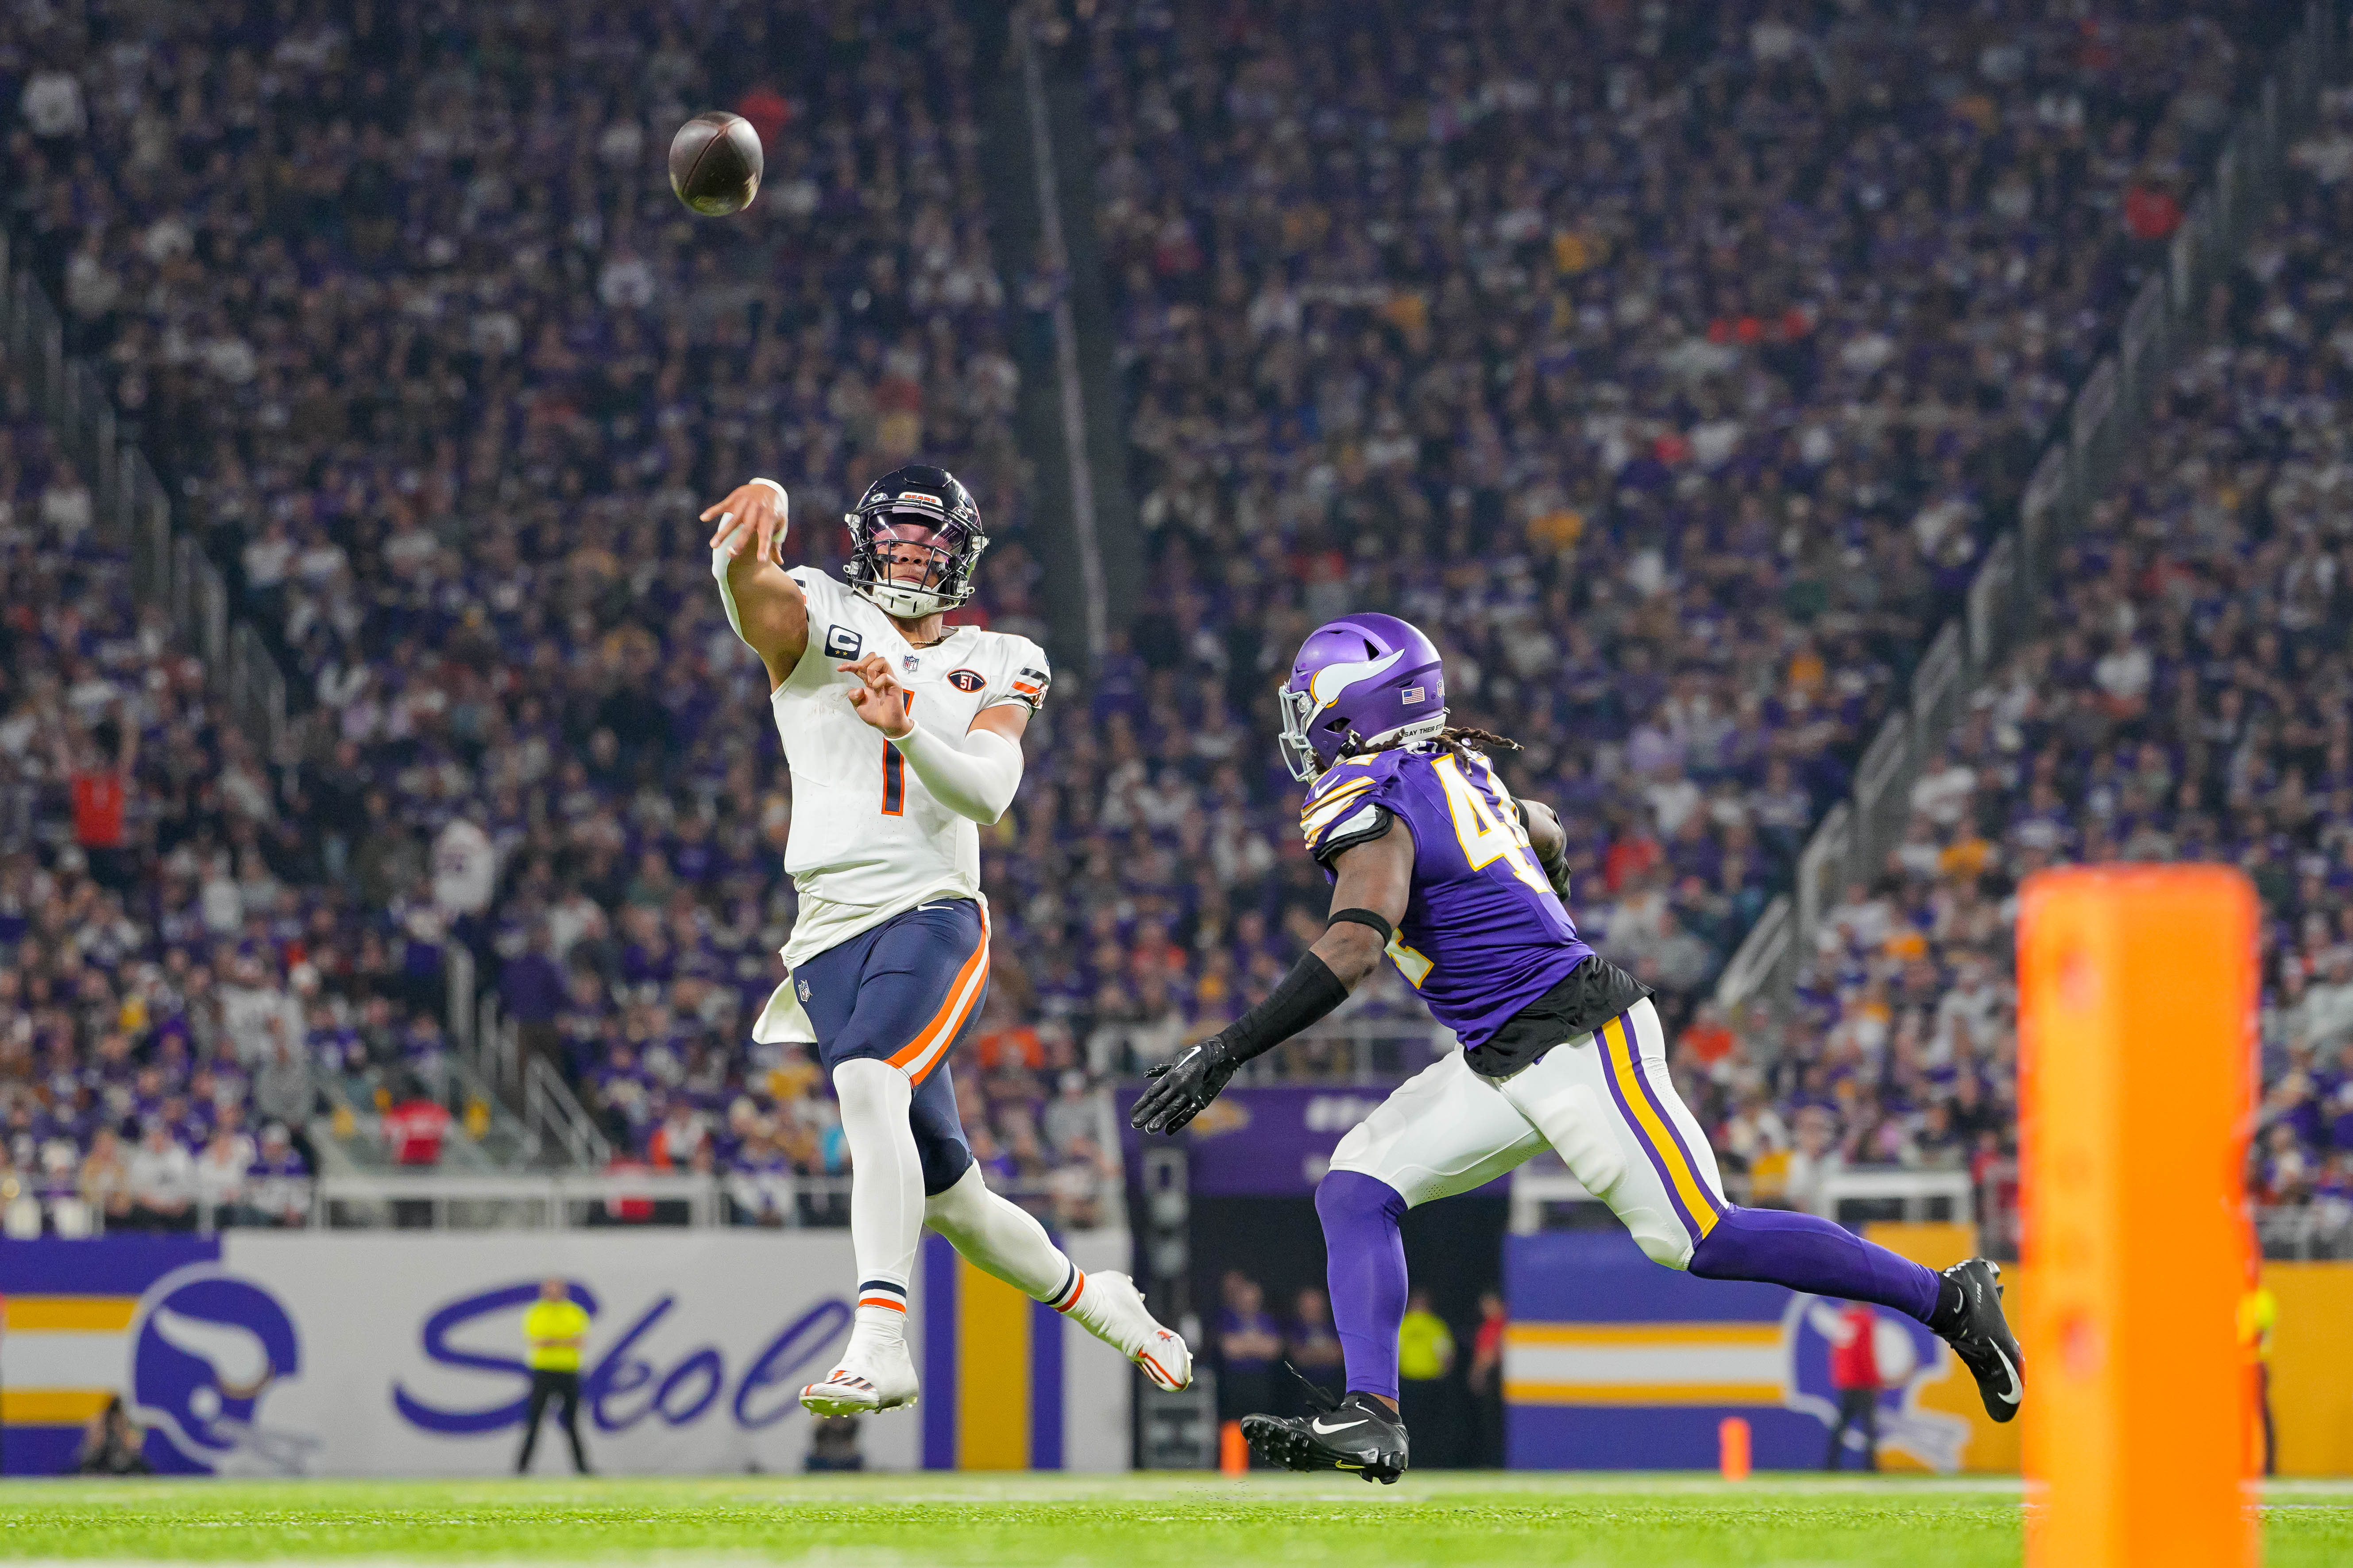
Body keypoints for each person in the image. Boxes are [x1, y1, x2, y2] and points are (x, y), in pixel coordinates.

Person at [1133, 614, 2023, 1483]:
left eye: (1310, 704)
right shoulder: (1452, 763)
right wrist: (1540, 883)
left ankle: (1947, 1297)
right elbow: (1544, 823)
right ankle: (1372, 1414)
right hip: (1499, 1051)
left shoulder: (1368, 793)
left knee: (1698, 1236)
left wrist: (1224, 1051)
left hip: (1576, 1040)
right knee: (1357, 1185)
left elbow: (1356, 942)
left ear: (1348, 712)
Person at [703, 468, 1189, 1416]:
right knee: (952, 1205)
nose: (910, 555)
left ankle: (880, 1340)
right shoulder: (822, 607)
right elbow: (753, 600)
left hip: (930, 906)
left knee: (868, 1081)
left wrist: (906, 728)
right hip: (824, 930)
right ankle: (1109, 1305)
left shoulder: (1001, 654)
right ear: (862, 541)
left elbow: (989, 792)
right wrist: (738, 544)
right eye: (896, 538)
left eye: (929, 543)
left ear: (961, 555)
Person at [515, 1278, 592, 1475]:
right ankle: (522, 1468)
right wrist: (565, 1340)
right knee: (534, 1421)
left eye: (557, 1289)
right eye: (550, 1289)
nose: (554, 1292)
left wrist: (553, 1340)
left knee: (572, 1422)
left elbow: (580, 1341)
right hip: (543, 1372)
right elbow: (537, 1341)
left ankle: (582, 1468)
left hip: (569, 1372)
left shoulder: (574, 1311)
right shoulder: (536, 1312)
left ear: (564, 1291)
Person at [1395, 1289, 1457, 1467]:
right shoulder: (1433, 1325)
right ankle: (1424, 1461)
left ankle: (1416, 1461)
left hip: (1420, 1385)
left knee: (1415, 1426)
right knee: (1427, 1427)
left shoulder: (1407, 1324)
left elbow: (1393, 1354)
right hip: (1419, 1384)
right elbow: (1448, 1356)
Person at [1213, 1273, 1280, 1427]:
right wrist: (1258, 1344)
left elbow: (1273, 1350)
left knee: (1262, 1427)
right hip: (1235, 1383)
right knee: (1235, 1428)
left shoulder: (1267, 1320)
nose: (1250, 1302)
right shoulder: (1228, 1319)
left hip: (1261, 1383)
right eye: (1246, 1298)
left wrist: (1244, 1344)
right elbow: (1229, 1349)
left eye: (1254, 1299)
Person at [1823, 1300, 1881, 1471]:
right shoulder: (1865, 1320)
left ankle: (1831, 1464)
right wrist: (1874, 1379)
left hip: (1846, 1381)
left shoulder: (1844, 1319)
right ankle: (1871, 1466)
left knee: (1842, 1424)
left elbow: (1837, 1352)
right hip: (1862, 1382)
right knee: (1869, 1425)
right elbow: (1865, 1354)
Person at [2240, 1262, 2278, 1476]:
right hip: (2239, 1365)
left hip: (2255, 1364)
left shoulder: (2262, 1299)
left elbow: (2258, 1334)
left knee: (2261, 1413)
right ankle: (2243, 1462)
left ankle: (2269, 1465)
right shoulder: (2239, 1297)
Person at [1466, 1290, 1509, 1468]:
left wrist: (1476, 1376)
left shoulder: (1495, 1326)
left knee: (1495, 1424)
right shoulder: (1493, 1326)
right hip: (1499, 1378)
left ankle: (1497, 1463)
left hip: (1495, 1379)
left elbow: (1487, 1357)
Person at [76, 1394, 151, 1475]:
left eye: (120, 1424)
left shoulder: (140, 1469)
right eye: (112, 1423)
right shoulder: (91, 1465)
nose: (115, 1430)